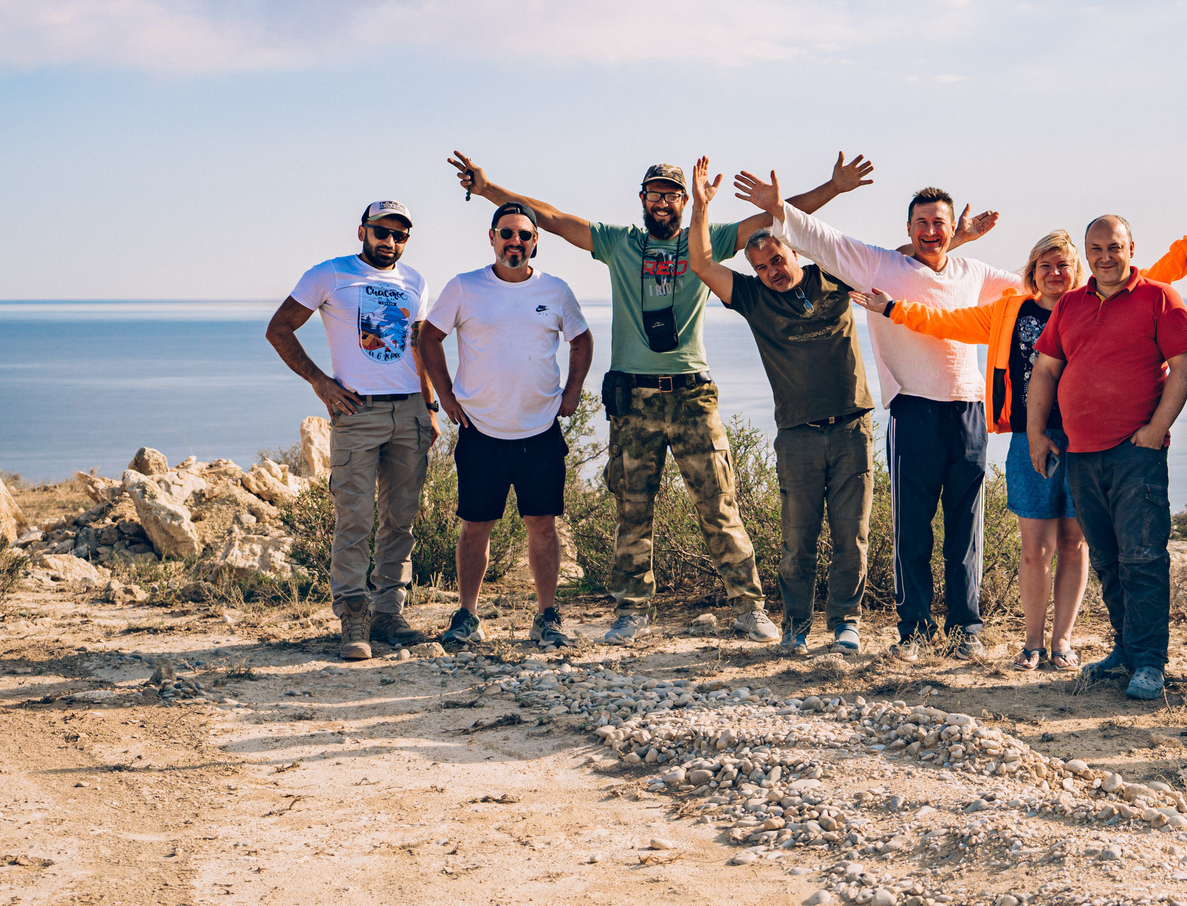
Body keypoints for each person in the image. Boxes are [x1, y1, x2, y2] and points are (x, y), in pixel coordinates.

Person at [449, 149, 868, 648]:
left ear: (685, 201)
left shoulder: (704, 240)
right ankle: (631, 612)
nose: (663, 202)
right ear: (643, 199)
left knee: (719, 506)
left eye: (672, 195)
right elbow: (554, 219)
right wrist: (489, 188)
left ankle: (749, 608)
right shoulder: (618, 243)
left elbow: (778, 217)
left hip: (693, 394)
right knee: (632, 510)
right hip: (634, 397)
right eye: (655, 194)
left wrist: (833, 187)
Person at [859, 215, 1187, 671]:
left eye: (1064, 265)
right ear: (1032, 271)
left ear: (1079, 270)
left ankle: (1063, 643)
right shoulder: (1010, 312)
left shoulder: (1096, 302)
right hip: (1031, 438)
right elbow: (946, 322)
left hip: (1089, 440)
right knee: (1035, 548)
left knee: (1077, 545)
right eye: (1045, 265)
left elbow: (1155, 277)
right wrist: (893, 309)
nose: (1055, 273)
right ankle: (1032, 643)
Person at [739, 169, 1023, 664]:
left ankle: (966, 630)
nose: (930, 231)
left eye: (939, 223)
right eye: (921, 223)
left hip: (968, 410)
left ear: (952, 228)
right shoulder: (879, 266)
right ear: (908, 228)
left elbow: (1038, 288)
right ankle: (914, 632)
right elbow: (825, 241)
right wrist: (780, 209)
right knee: (912, 529)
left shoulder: (974, 273)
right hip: (913, 409)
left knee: (965, 529)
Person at [683, 158, 875, 658]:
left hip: (852, 429)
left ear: (795, 251)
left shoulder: (834, 275)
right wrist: (701, 207)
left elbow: (898, 265)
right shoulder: (752, 298)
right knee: (797, 542)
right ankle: (796, 627)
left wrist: (833, 188)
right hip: (797, 435)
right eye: (762, 267)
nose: (772, 272)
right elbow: (702, 264)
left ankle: (846, 623)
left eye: (777, 260)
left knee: (851, 537)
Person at [1024, 217, 1187, 702]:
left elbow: (1184, 366)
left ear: (1131, 248)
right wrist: (1036, 434)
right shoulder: (1071, 304)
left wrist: (1156, 429)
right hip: (1080, 454)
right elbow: (1045, 371)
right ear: (1087, 252)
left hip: (1135, 454)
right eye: (1096, 249)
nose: (1105, 257)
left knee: (1143, 558)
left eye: (1114, 247)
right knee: (1106, 558)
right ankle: (1125, 649)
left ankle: (1150, 662)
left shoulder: (1160, 297)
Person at [263, 200, 437, 661]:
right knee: (355, 517)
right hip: (357, 412)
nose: (390, 241)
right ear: (363, 231)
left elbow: (418, 345)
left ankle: (389, 614)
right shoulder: (329, 274)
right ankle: (353, 617)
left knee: (401, 519)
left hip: (410, 411)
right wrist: (320, 383)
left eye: (400, 235)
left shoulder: (415, 281)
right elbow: (279, 329)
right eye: (382, 231)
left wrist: (430, 406)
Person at [418, 200, 594, 653]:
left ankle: (547, 615)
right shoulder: (464, 287)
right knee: (475, 526)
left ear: (536, 241)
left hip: (540, 431)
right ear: (492, 237)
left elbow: (581, 340)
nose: (515, 241)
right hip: (481, 430)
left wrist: (572, 393)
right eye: (507, 233)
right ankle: (467, 615)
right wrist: (446, 396)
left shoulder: (555, 290)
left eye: (524, 235)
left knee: (543, 525)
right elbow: (429, 337)